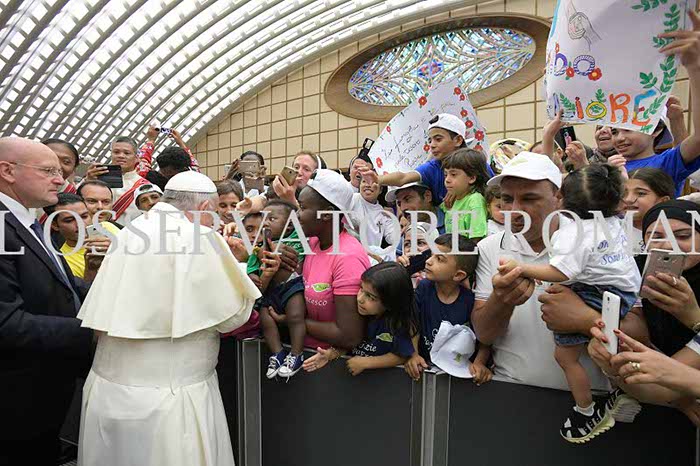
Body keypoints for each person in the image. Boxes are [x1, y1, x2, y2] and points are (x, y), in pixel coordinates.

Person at [76, 171, 261, 466]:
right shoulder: (201, 237)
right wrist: (239, 268)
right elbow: (233, 317)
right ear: (203, 208)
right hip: (174, 397)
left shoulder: (131, 231)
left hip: (109, 392)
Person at [507, 164, 641, 443]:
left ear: (561, 200)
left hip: (595, 293)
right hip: (626, 292)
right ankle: (622, 391)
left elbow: (560, 272)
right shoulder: (613, 221)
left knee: (566, 357)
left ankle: (586, 411)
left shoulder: (573, 233)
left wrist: (522, 268)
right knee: (602, 348)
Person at [472, 151, 622, 394]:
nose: (515, 210)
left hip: (592, 397)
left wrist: (585, 319)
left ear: (558, 197)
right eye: (507, 199)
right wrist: (501, 300)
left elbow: (639, 330)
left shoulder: (597, 240)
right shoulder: (489, 248)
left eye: (529, 198)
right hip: (510, 391)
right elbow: (484, 335)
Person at [0, 137, 94, 466]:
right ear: (7, 171)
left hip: (39, 396)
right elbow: (7, 324)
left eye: (60, 171)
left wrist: (116, 293)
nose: (61, 180)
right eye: (48, 171)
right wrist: (93, 331)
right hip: (15, 402)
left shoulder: (24, 220)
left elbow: (62, 282)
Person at [588, 201, 700, 424]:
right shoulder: (632, 272)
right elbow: (655, 389)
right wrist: (611, 364)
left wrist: (693, 317)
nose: (668, 244)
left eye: (683, 236)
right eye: (655, 236)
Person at [612, 11, 700, 197]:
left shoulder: (667, 162)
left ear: (655, 129)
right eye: (614, 131)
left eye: (628, 129)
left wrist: (694, 67)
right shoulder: (607, 168)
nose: (619, 138)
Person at [294, 169, 370, 354]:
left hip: (330, 362)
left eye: (302, 208)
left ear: (327, 214)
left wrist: (293, 321)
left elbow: (349, 335)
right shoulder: (312, 243)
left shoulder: (348, 258)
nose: (297, 214)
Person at [405, 234, 492, 385]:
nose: (428, 261)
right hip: (425, 369)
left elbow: (484, 338)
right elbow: (413, 324)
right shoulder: (424, 288)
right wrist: (413, 354)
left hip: (459, 376)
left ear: (458, 275)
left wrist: (479, 363)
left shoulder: (470, 301)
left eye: (439, 259)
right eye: (431, 255)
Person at [303, 262, 418, 374]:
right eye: (361, 289)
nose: (360, 299)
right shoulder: (357, 314)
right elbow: (350, 342)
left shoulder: (396, 324)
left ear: (391, 302)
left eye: (371, 297)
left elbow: (402, 356)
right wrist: (331, 354)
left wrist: (366, 363)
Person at [249, 200, 307, 379]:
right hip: (271, 291)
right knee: (265, 319)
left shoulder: (297, 237)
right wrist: (253, 275)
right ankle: (277, 353)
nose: (265, 223)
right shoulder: (259, 247)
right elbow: (251, 267)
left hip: (292, 286)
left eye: (271, 218)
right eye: (263, 218)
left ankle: (296, 354)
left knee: (296, 316)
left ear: (289, 225)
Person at [361, 113, 467, 204]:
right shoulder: (432, 167)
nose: (432, 145)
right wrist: (378, 179)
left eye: (438, 139)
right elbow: (403, 178)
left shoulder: (473, 164)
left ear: (458, 140)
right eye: (430, 141)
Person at [43, 193, 116, 279]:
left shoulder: (107, 227)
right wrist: (91, 269)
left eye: (84, 216)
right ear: (55, 225)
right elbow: (86, 287)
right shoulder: (64, 261)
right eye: (69, 220)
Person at [85, 135, 149, 225]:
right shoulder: (95, 178)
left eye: (127, 153)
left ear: (136, 158)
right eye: (116, 152)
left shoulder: (146, 187)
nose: (121, 156)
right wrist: (87, 181)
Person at [440, 148, 489, 240]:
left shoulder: (475, 200)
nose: (447, 180)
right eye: (446, 175)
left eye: (453, 175)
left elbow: (477, 238)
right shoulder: (451, 200)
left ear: (472, 178)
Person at [623, 168, 675, 254]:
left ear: (663, 201)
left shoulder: (676, 234)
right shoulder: (611, 230)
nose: (628, 199)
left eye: (641, 193)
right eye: (623, 193)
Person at [347, 176, 399, 261]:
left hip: (370, 259)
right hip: (347, 253)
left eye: (373, 182)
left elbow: (394, 238)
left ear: (380, 190)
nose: (368, 185)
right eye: (364, 182)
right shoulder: (351, 199)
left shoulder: (383, 213)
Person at [136, 126, 200, 179]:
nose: (164, 175)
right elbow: (192, 162)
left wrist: (151, 140)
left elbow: (142, 166)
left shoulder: (160, 184)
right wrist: (181, 143)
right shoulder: (196, 176)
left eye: (168, 173)